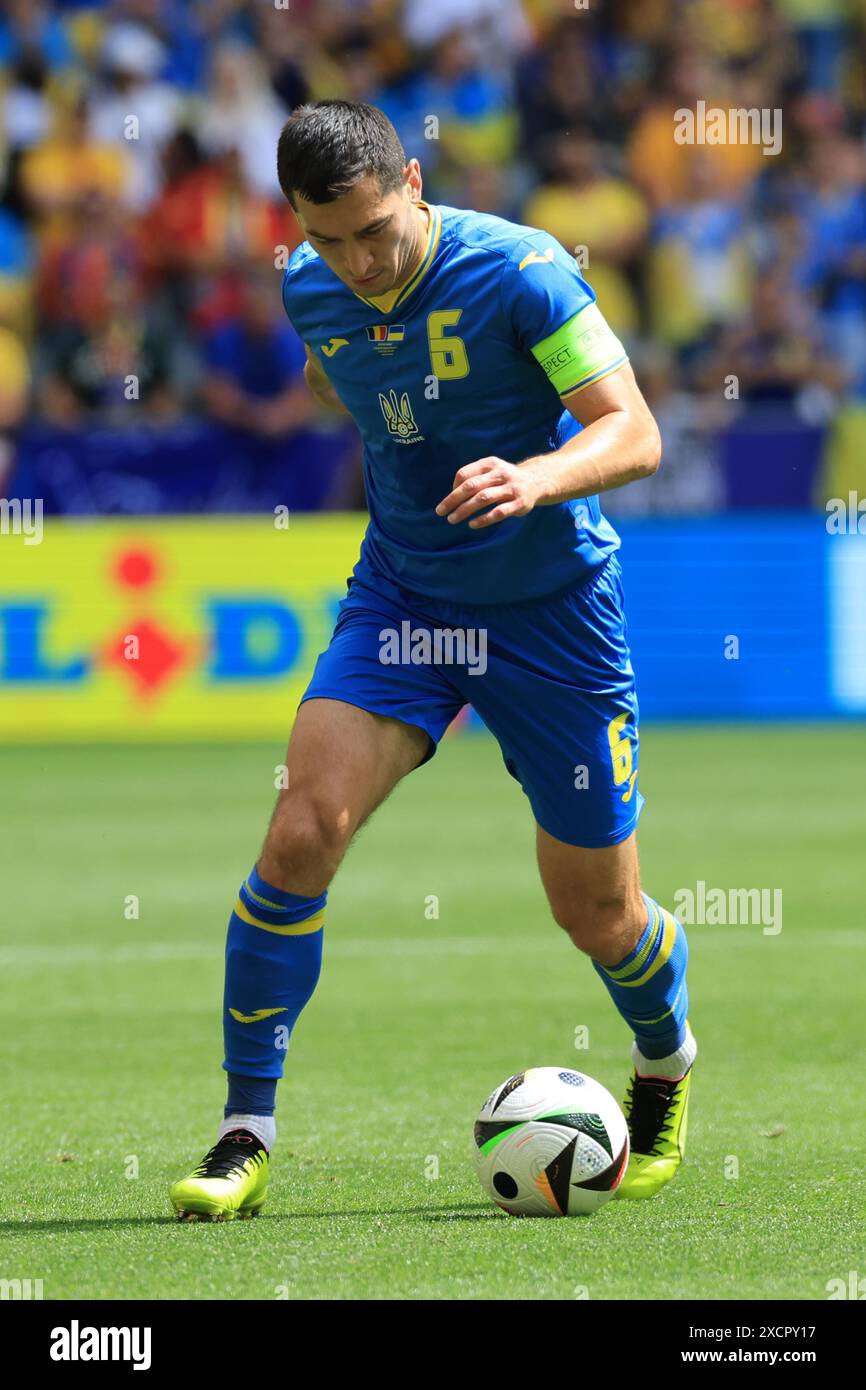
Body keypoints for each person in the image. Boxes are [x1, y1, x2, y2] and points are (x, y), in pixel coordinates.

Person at [170, 101, 697, 1222]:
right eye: (328, 239)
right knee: (299, 831)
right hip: (404, 600)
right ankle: (241, 1133)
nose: (356, 263)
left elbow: (633, 430)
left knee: (597, 915)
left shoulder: (524, 272)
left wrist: (534, 475)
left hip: (551, 614)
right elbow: (347, 381)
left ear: (412, 181)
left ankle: (664, 1059)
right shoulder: (312, 289)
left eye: (372, 230)